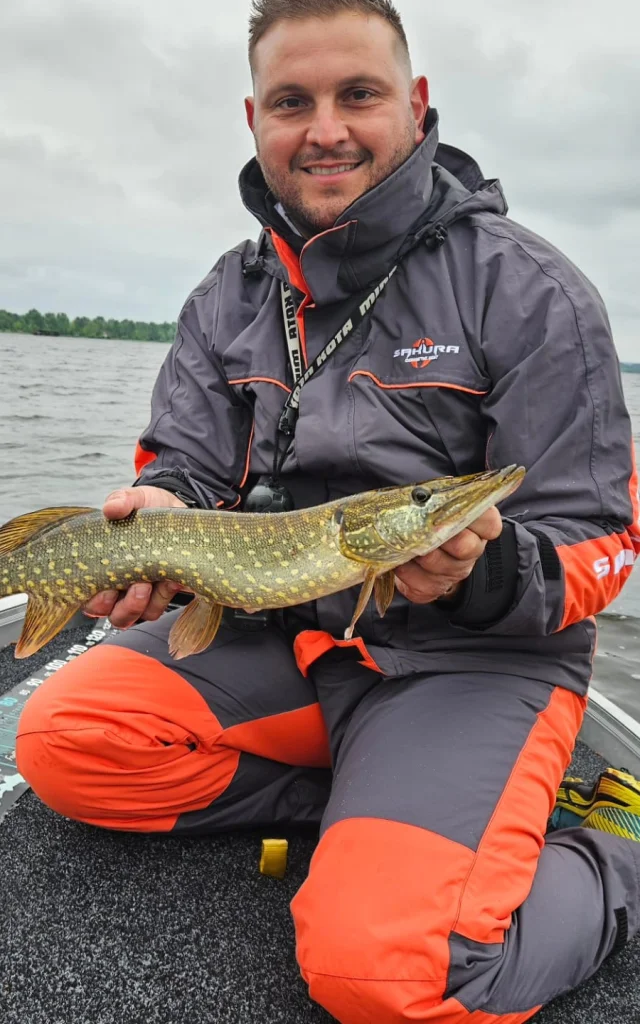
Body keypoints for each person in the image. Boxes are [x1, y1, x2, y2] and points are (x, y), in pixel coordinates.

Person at [15, 1, 640, 1021]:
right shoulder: (231, 295)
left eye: (359, 94)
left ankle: (611, 853)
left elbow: (603, 544)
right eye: (293, 101)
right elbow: (184, 467)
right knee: (67, 743)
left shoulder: (529, 292)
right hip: (284, 631)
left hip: (469, 661)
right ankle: (374, 815)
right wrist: (160, 509)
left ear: (417, 104)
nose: (326, 128)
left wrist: (488, 574)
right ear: (254, 118)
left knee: (388, 974)